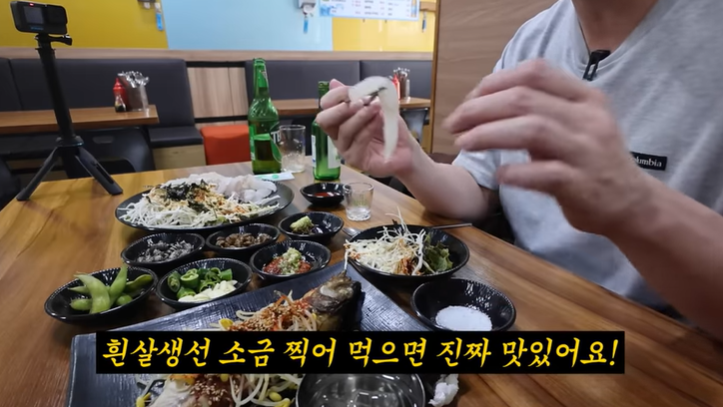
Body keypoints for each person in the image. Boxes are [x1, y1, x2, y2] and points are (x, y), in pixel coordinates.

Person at [315, 0, 723, 341]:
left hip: (664, 344)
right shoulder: (534, 36)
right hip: (517, 301)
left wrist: (635, 205)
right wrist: (409, 160)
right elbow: (474, 191)